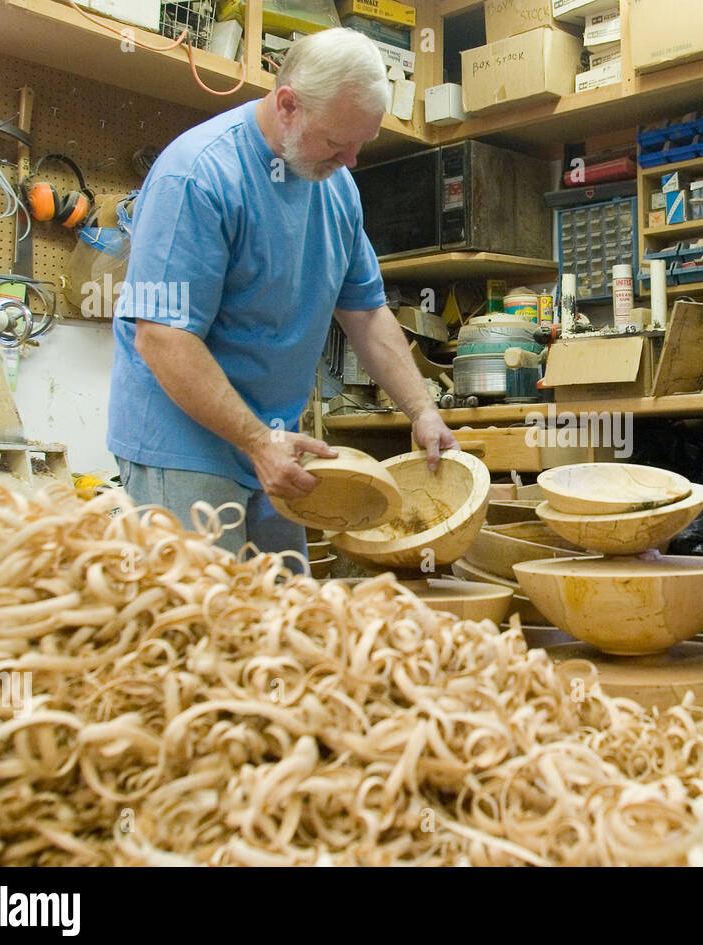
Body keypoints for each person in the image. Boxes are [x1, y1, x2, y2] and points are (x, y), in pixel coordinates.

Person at [107, 28, 456, 561]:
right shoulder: (198, 175)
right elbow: (162, 338)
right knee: (198, 626)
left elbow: (365, 313)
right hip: (183, 447)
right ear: (288, 103)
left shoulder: (335, 185)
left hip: (279, 446)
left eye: (361, 144)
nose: (352, 161)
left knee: (279, 623)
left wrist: (422, 411)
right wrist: (255, 443)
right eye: (338, 143)